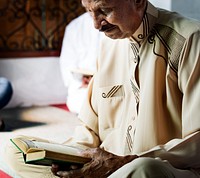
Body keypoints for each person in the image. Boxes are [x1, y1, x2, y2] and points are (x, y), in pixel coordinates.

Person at [4, 0, 200, 177]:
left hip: (163, 169)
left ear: (138, 2)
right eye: (90, 12)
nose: (96, 25)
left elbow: (196, 144)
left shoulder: (189, 40)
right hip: (105, 169)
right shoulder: (108, 46)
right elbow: (89, 129)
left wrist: (128, 161)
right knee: (18, 151)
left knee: (144, 170)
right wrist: (70, 160)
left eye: (104, 10)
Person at [60, 12, 103, 114]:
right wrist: (80, 82)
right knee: (79, 104)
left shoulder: (115, 24)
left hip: (109, 82)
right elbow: (67, 63)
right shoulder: (74, 27)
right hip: (83, 86)